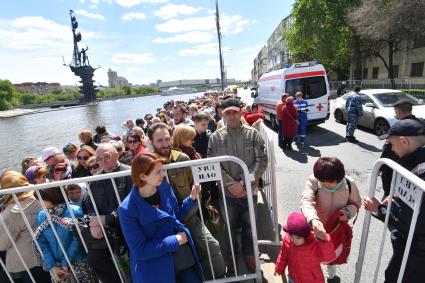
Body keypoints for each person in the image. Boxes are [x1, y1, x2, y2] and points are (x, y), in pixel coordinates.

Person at [148, 122, 225, 279]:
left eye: (167, 139)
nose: (164, 144)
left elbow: (196, 189)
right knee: (183, 262)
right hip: (165, 226)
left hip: (190, 217)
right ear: (151, 142)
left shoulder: (182, 158)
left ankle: (221, 278)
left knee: (212, 247)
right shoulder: (148, 165)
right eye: (159, 141)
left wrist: (194, 211)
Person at [119, 153, 203, 283]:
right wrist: (175, 240)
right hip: (155, 271)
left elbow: (175, 218)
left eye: (162, 170)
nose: (163, 174)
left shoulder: (164, 188)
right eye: (158, 172)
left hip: (182, 260)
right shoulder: (126, 209)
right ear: (143, 176)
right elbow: (140, 251)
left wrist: (191, 199)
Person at [208, 98, 268, 273]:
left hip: (249, 191)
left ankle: (250, 255)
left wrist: (242, 183)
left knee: (250, 227)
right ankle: (233, 256)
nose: (232, 116)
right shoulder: (215, 138)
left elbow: (262, 161)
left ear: (241, 112)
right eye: (228, 113)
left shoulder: (253, 134)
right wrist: (231, 185)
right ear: (222, 114)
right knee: (230, 228)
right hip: (227, 194)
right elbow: (213, 165)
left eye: (235, 112)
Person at [363, 118, 425, 283]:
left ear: (404, 141)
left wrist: (379, 209)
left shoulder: (421, 173)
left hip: (416, 254)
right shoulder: (416, 162)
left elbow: (413, 221)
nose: (391, 148)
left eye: (391, 143)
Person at [300, 157, 361, 283]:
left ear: (339, 178)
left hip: (336, 228)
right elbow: (306, 202)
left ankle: (331, 277)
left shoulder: (349, 184)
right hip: (315, 227)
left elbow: (355, 203)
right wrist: (313, 220)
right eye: (323, 182)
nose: (326, 184)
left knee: (331, 256)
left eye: (330, 182)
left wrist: (347, 212)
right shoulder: (314, 181)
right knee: (311, 255)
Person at [83, 143, 132, 283]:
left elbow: (131, 204)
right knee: (94, 259)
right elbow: (90, 204)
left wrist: (108, 219)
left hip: (128, 226)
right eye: (98, 159)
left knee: (129, 265)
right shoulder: (95, 180)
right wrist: (94, 223)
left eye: (107, 157)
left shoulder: (128, 173)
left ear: (117, 155)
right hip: (107, 232)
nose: (102, 161)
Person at [34, 187, 95, 282]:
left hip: (78, 262)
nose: (37, 202)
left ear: (51, 197)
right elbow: (42, 243)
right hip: (56, 266)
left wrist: (65, 263)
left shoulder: (75, 210)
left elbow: (78, 238)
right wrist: (52, 266)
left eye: (40, 199)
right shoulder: (41, 215)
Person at [0, 171, 52, 283]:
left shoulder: (11, 213)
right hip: (50, 254)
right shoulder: (41, 196)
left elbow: (2, 244)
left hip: (28, 262)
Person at [275, 212, 336, 283]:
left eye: (298, 238)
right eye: (291, 236)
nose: (294, 240)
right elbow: (283, 256)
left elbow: (329, 257)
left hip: (312, 280)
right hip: (293, 278)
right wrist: (278, 269)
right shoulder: (287, 240)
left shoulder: (314, 244)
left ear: (305, 236)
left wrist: (324, 240)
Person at [380, 100, 417, 198]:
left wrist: (381, 166)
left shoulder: (398, 126)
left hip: (395, 165)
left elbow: (388, 149)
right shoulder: (421, 123)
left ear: (398, 111)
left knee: (389, 190)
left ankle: (383, 209)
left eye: (395, 111)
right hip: (415, 167)